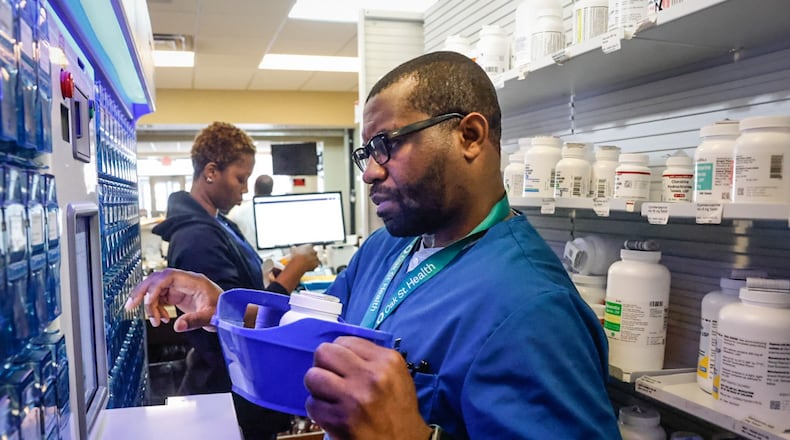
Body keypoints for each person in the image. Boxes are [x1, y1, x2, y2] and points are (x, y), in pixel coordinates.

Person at [130, 53, 620, 439]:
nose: (368, 172)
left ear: (470, 136)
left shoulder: (533, 310)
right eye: (367, 151)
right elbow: (314, 328)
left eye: (388, 143)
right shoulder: (388, 246)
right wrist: (229, 306)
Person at [151, 121, 320, 440]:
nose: (244, 189)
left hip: (241, 384)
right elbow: (228, 318)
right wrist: (294, 271)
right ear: (211, 172)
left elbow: (240, 291)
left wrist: (265, 279)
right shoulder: (197, 237)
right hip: (226, 387)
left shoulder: (220, 225)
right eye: (240, 178)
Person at [228, 174, 274, 245]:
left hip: (249, 254)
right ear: (271, 189)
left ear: (255, 188)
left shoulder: (238, 211)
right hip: (277, 254)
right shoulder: (279, 210)